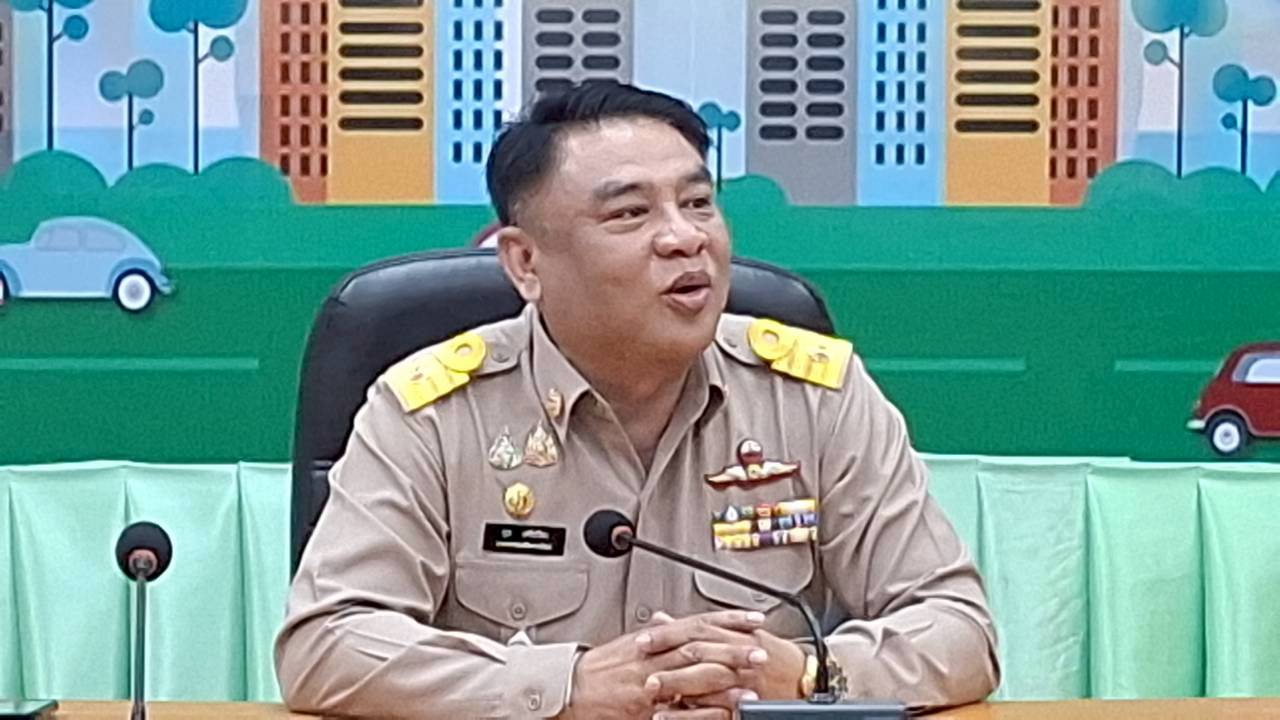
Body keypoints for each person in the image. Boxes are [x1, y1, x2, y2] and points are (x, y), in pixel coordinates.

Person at [276, 82, 999, 719]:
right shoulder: (433, 411)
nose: (685, 238)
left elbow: (958, 627)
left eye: (698, 203)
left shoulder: (814, 396)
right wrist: (564, 688)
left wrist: (809, 674)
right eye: (630, 214)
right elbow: (326, 642)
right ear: (525, 262)